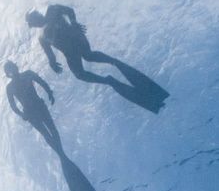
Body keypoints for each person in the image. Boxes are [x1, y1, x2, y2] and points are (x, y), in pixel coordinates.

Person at [26, 6, 169, 112]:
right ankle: (109, 80)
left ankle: (114, 64)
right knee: (79, 74)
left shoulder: (52, 10)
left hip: (76, 39)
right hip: (70, 53)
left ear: (37, 15)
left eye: (35, 18)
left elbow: (69, 10)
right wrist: (52, 64)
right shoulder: (42, 37)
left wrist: (74, 22)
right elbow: (50, 55)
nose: (37, 22)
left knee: (88, 56)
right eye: (34, 23)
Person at [4, 59, 98, 191]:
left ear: (16, 67)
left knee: (53, 131)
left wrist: (50, 93)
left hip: (39, 107)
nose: (13, 71)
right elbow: (13, 106)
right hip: (31, 113)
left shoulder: (27, 74)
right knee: (47, 135)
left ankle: (62, 156)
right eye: (9, 70)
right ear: (8, 74)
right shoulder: (10, 87)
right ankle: (62, 156)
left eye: (13, 68)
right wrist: (22, 114)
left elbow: (42, 82)